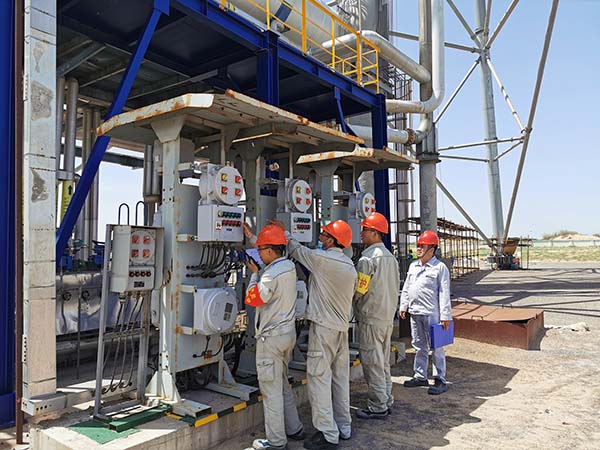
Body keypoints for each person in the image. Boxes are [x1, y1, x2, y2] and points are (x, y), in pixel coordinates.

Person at [270, 219, 357, 450]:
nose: (320, 238)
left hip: (324, 328)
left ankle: (327, 434)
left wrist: (285, 231)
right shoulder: (349, 265)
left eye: (324, 235)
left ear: (333, 240)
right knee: (340, 379)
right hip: (341, 329)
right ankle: (344, 426)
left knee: (319, 379)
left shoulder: (323, 260)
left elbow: (297, 250)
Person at [243, 224, 304, 450]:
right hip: (287, 335)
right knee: (282, 384)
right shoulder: (288, 266)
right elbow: (270, 262)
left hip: (271, 340)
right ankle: (295, 428)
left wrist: (253, 275)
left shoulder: (269, 275)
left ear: (270, 250)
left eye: (261, 250)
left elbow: (253, 299)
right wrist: (252, 236)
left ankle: (277, 443)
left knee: (271, 391)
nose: (259, 254)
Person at [353, 212, 399, 419]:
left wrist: (349, 301)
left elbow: (360, 289)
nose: (361, 233)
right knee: (383, 363)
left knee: (372, 363)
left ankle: (378, 406)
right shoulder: (390, 258)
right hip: (386, 317)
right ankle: (386, 399)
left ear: (375, 233)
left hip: (371, 318)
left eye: (365, 229)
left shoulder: (367, 259)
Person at [399, 230, 452, 395]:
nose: (419, 249)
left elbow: (444, 292)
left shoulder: (440, 268)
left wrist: (445, 316)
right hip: (415, 312)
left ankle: (440, 379)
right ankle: (420, 375)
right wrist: (403, 306)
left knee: (437, 347)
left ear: (432, 249)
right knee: (419, 345)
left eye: (423, 246)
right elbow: (407, 287)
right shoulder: (413, 266)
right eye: (418, 245)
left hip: (432, 314)